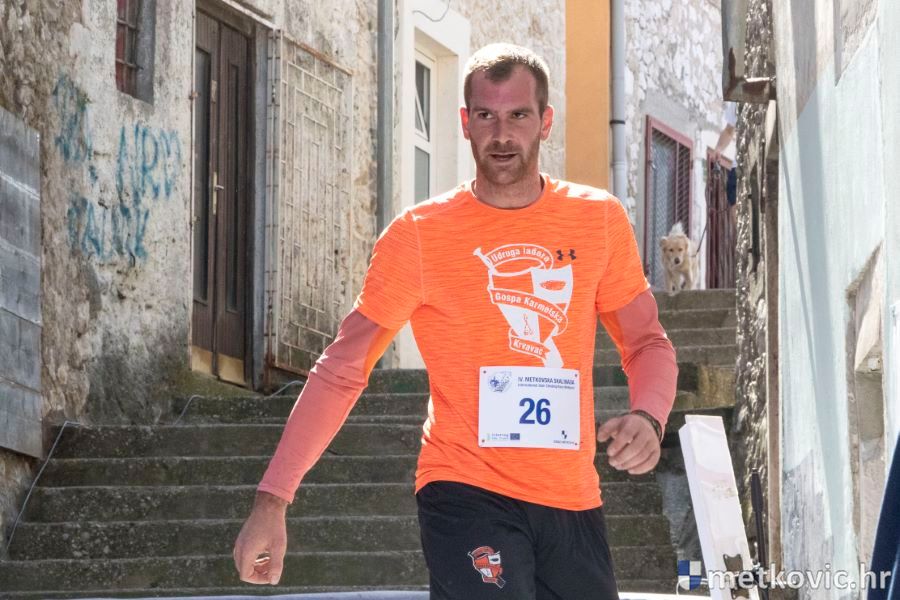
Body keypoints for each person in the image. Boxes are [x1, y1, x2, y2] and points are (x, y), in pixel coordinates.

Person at [233, 43, 678, 599]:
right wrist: (273, 499)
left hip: (571, 497)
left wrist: (649, 415)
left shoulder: (597, 221)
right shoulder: (420, 236)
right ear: (466, 123)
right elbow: (341, 368)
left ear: (545, 122)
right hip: (464, 488)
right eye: (486, 115)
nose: (502, 134)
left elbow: (646, 343)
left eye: (518, 115)